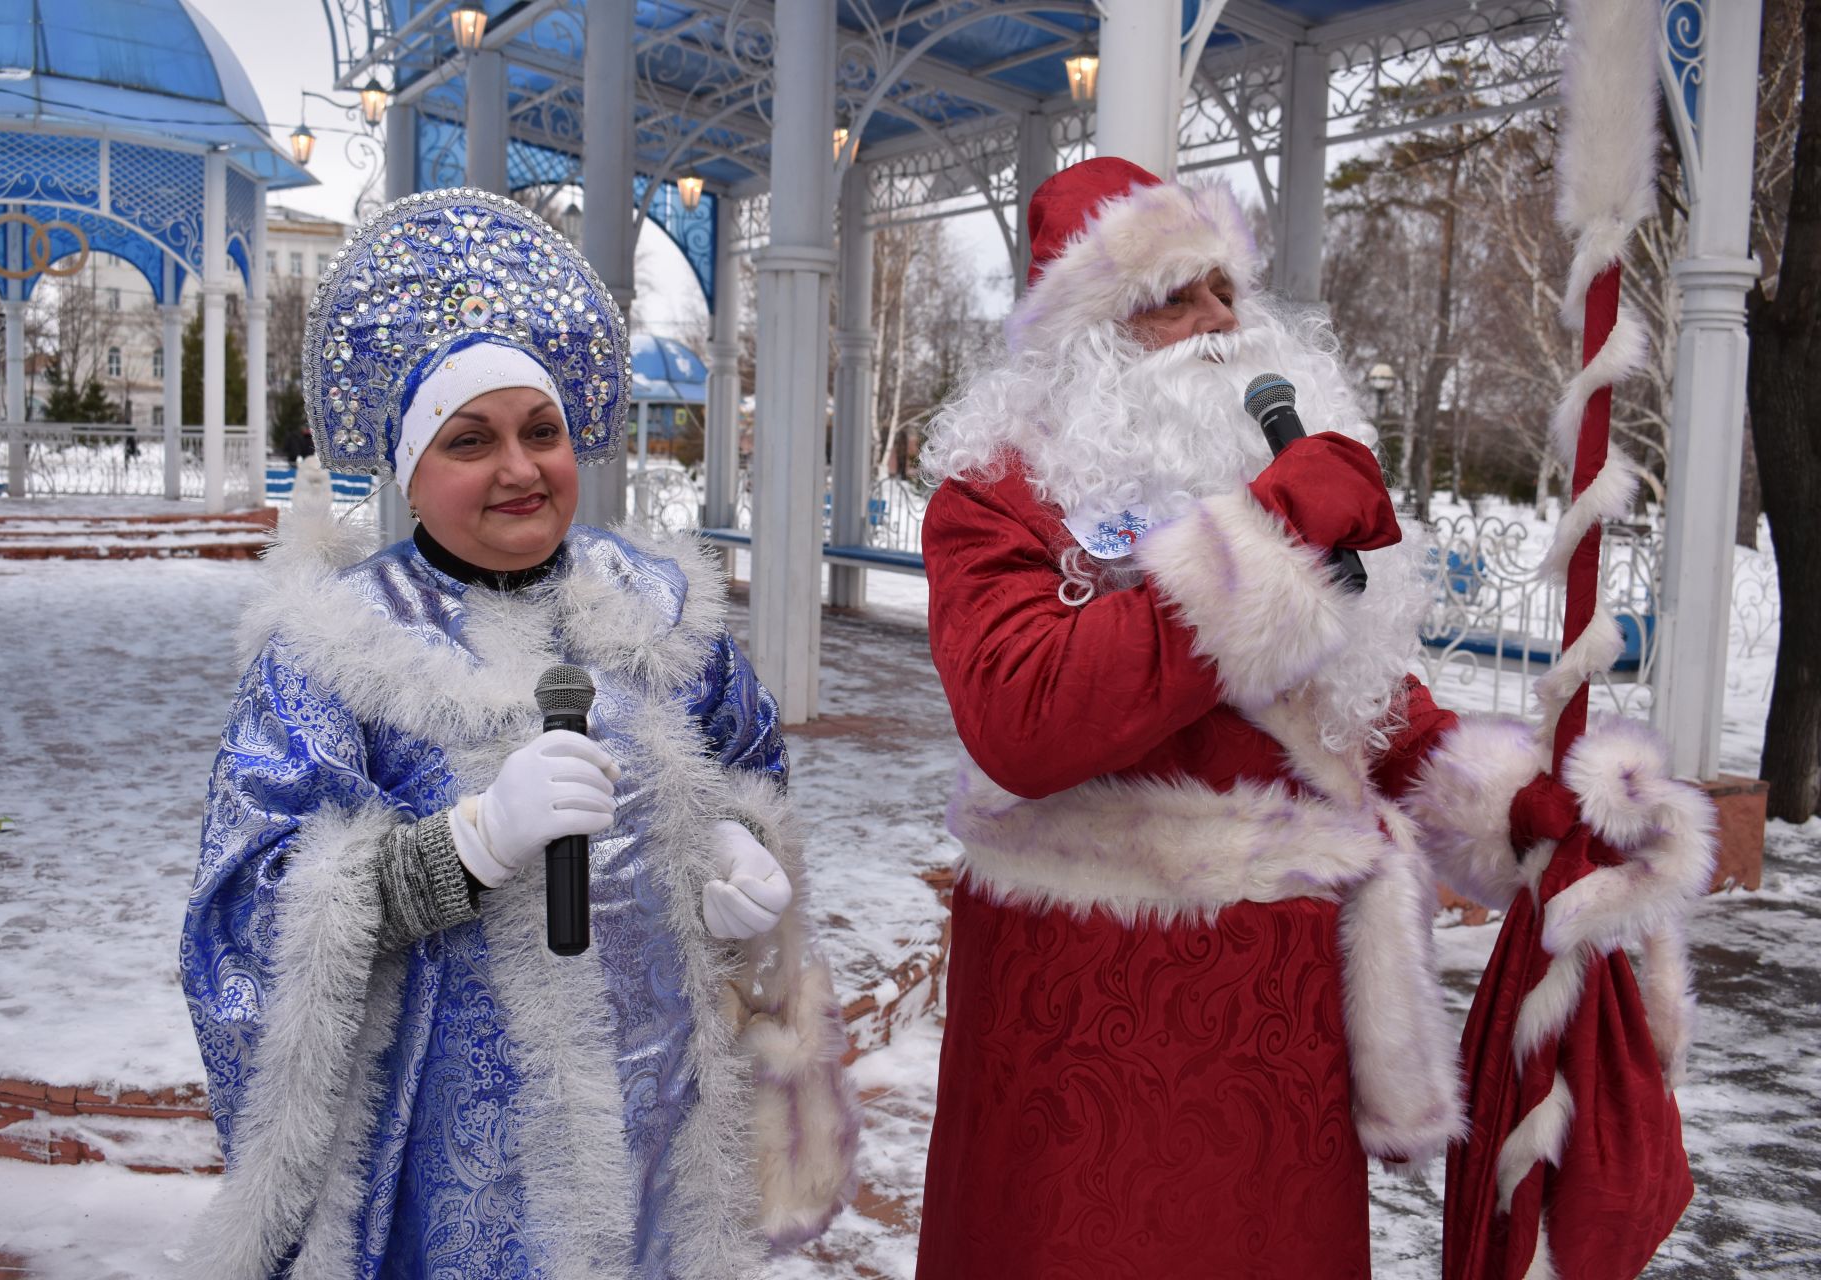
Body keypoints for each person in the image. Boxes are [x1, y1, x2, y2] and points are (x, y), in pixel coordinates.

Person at [181, 189, 855, 1279]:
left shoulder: (659, 609)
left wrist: (736, 845)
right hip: (452, 1153)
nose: (519, 468)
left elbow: (745, 764)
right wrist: (467, 846)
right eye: (470, 440)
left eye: (541, 431)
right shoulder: (334, 647)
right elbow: (244, 920)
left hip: (658, 1114)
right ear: (411, 467)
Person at [913, 157, 1561, 1276]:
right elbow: (1024, 714)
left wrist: (1521, 808)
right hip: (1085, 1009)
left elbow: (1364, 720)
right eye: (1176, 296)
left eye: (1227, 290)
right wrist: (1260, 543)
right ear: (1090, 336)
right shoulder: (997, 499)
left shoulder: (1265, 474)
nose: (1221, 320)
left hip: (1282, 1020)